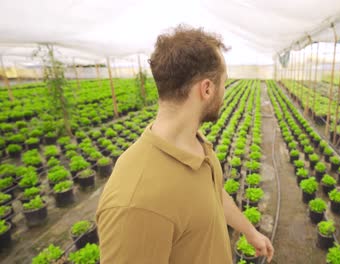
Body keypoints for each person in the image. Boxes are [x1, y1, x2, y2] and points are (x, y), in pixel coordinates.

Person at [95, 25, 274, 263]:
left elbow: (213, 193)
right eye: (224, 84)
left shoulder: (196, 144)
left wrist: (250, 232)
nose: (224, 91)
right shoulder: (135, 204)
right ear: (207, 89)